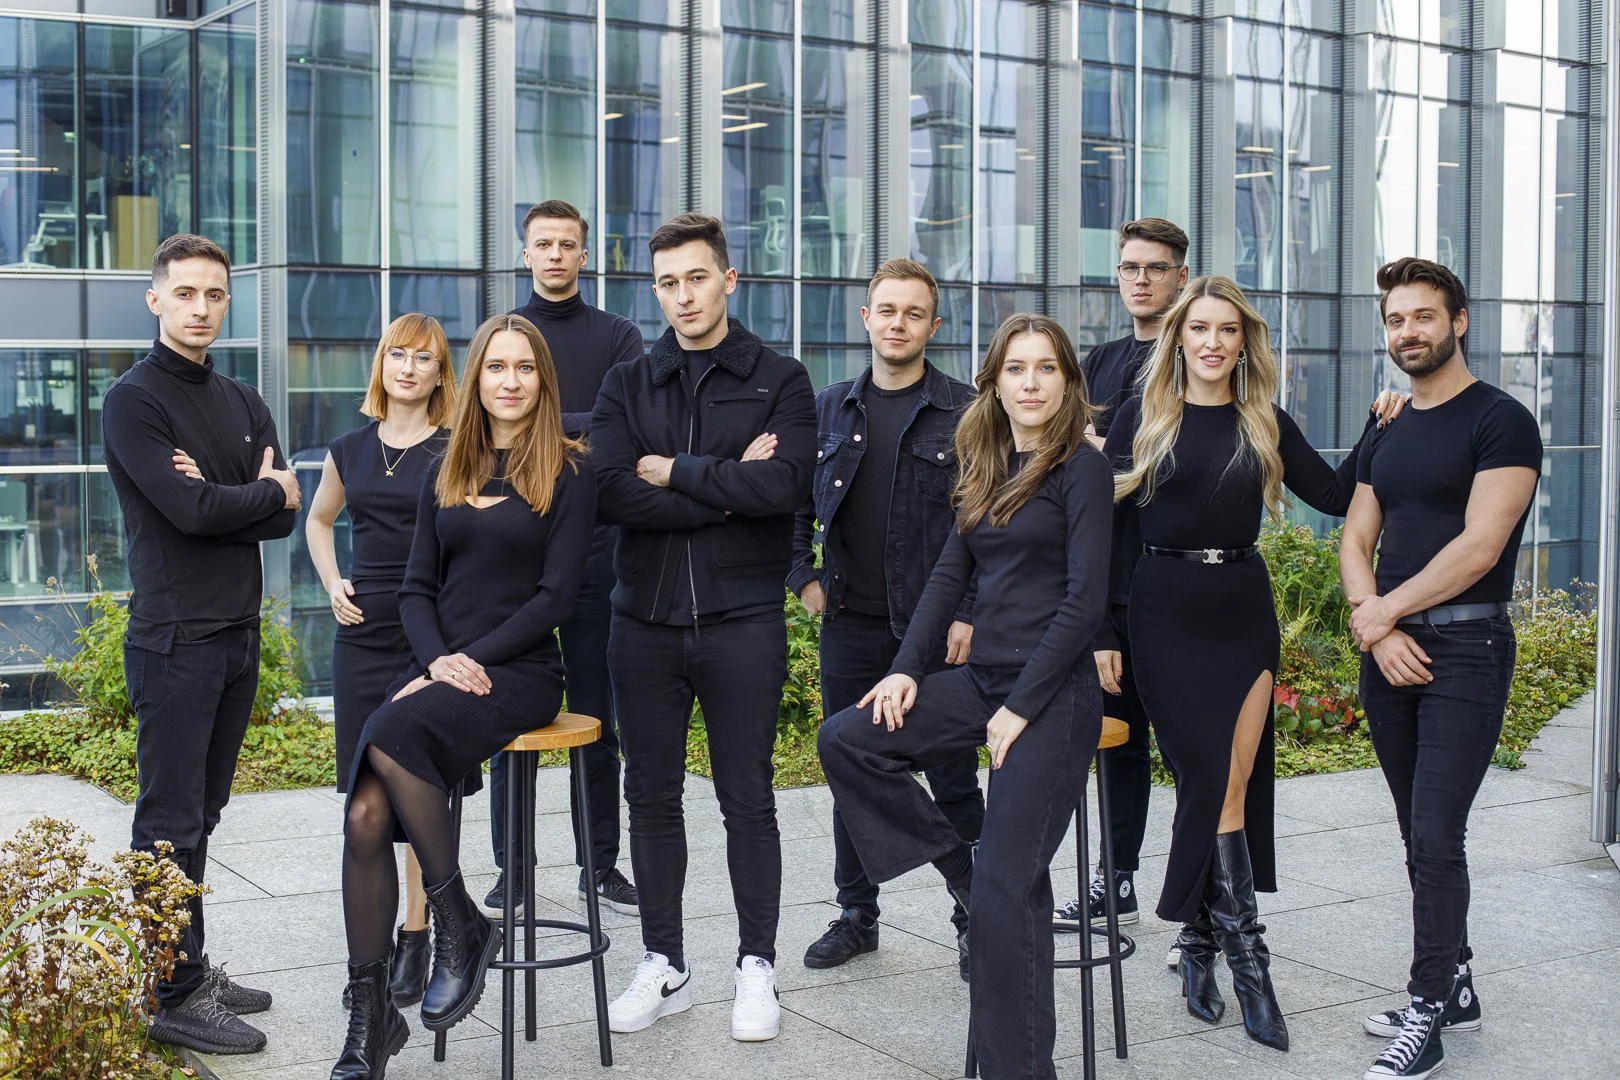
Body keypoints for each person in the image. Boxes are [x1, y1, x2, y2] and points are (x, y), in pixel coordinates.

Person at [1099, 275, 1404, 1053]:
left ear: (1243, 341)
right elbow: (1103, 532)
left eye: (1226, 330)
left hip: (1241, 610)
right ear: (1180, 338)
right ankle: (1248, 958)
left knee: (1229, 782)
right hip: (1162, 610)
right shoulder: (1144, 414)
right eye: (1198, 328)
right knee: (1209, 780)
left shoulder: (1262, 416)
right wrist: (1102, 630)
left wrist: (1379, 425)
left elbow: (1335, 494)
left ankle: (1203, 946)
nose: (1211, 341)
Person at [819, 314, 1113, 1080]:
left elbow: (1084, 604)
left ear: (1066, 382)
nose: (1031, 382)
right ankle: (959, 862)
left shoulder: (1078, 468)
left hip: (1051, 694)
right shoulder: (983, 461)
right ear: (995, 381)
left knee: (1009, 896)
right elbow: (950, 576)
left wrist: (1019, 709)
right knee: (847, 738)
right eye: (1016, 368)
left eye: (1046, 368)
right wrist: (908, 669)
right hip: (983, 681)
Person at [329, 314, 595, 1078]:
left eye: (525, 368)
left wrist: (461, 660)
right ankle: (374, 1013)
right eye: (495, 368)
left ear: (542, 381)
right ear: (474, 379)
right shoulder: (445, 465)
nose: (509, 381)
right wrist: (438, 660)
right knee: (364, 809)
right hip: (444, 666)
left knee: (383, 737)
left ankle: (454, 923)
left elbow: (553, 600)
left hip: (520, 672)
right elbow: (416, 586)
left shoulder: (570, 472)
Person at [590, 213, 816, 1043]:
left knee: (747, 798)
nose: (683, 295)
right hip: (641, 622)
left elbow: (786, 488)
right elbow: (611, 491)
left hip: (742, 619)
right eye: (668, 283)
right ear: (657, 291)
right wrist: (727, 485)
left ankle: (757, 965)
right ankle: (665, 963)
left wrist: (677, 472)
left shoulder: (781, 379)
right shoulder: (628, 383)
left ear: (728, 279)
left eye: (696, 277)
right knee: (648, 797)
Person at [1341, 258, 1540, 1080]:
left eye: (1423, 316)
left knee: (1435, 832)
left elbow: (1482, 546)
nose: (1407, 332)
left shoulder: (1502, 420)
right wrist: (1374, 624)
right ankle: (1453, 983)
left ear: (1458, 321)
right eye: (1395, 319)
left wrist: (1387, 610)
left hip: (1465, 647)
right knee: (1413, 831)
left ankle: (1425, 1007)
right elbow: (1355, 540)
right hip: (1389, 648)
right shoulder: (1388, 426)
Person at [103, 234, 299, 1056]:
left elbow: (286, 515)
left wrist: (231, 494)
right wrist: (251, 492)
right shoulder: (134, 401)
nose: (201, 308)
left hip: (235, 638)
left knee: (205, 814)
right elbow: (191, 514)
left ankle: (188, 967)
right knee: (168, 820)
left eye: (214, 295)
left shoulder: (246, 400)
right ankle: (163, 990)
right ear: (156, 300)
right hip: (175, 638)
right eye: (184, 293)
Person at [787, 258, 984, 978]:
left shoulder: (966, 412)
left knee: (951, 775)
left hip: (931, 632)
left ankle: (975, 912)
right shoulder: (830, 405)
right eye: (886, 310)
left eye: (913, 312)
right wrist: (801, 575)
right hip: (851, 623)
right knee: (852, 771)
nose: (898, 323)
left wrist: (968, 613)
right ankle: (857, 914)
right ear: (866, 318)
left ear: (933, 325)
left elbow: (984, 523)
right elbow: (792, 505)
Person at [486, 198, 645, 919]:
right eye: (543, 243)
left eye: (568, 244)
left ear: (586, 255)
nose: (554, 254)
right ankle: (510, 871)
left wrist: (531, 423)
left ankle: (600, 866)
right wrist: (577, 425)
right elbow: (483, 425)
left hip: (597, 552)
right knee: (498, 719)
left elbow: (623, 434)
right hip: (508, 556)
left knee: (597, 717)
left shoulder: (617, 336)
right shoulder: (506, 336)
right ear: (526, 253)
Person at [305, 314, 455, 1011]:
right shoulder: (350, 447)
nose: (407, 367)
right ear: (382, 364)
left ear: (438, 372)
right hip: (362, 639)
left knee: (421, 789)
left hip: (428, 637)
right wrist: (333, 581)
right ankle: (372, 951)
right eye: (397, 354)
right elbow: (318, 519)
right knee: (364, 802)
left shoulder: (457, 449)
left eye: (423, 357)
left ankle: (418, 933)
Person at [1055, 216, 1189, 936]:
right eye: (1131, 266)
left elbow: (1156, 472)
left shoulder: (1194, 360)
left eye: (1157, 267)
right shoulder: (1098, 362)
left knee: (1192, 748)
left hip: (1177, 583)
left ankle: (1201, 901)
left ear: (1182, 279)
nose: (1141, 278)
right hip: (1110, 583)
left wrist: (1099, 448)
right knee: (1120, 739)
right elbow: (1074, 467)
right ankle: (1120, 878)